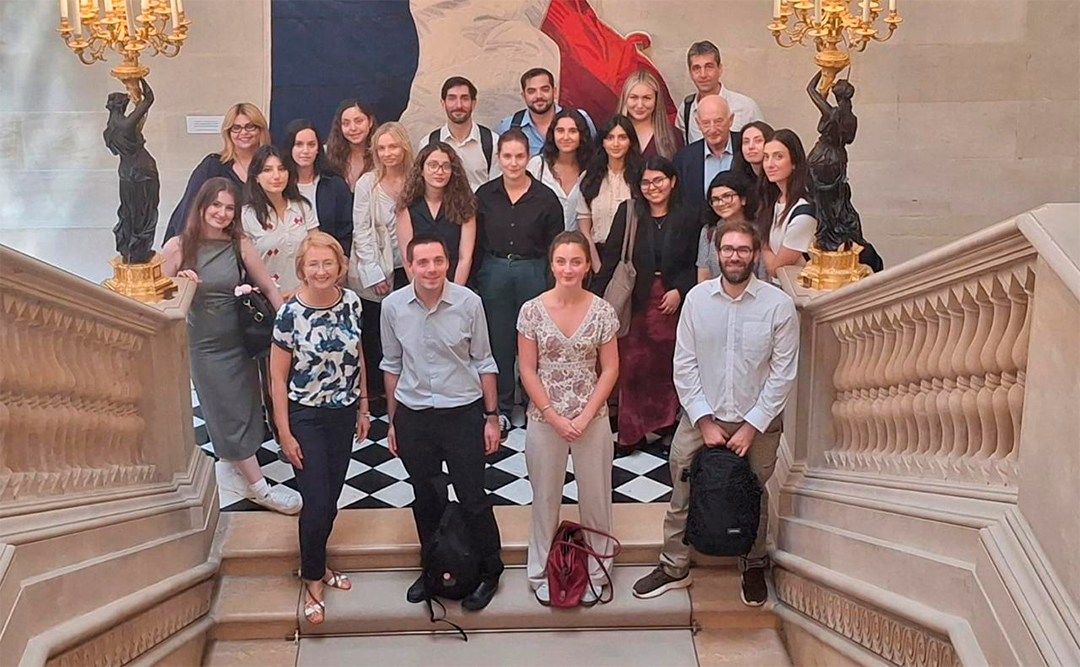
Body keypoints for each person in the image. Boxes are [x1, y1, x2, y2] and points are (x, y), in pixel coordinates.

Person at [632, 219, 798, 607]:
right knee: (682, 488)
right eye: (728, 249)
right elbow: (684, 363)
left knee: (752, 493)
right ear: (716, 253)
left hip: (758, 421)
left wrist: (751, 426)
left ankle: (752, 563)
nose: (734, 256)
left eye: (743, 250)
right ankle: (674, 565)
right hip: (701, 416)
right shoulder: (697, 300)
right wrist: (704, 420)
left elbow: (783, 373)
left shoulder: (778, 305)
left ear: (755, 255)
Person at [161, 177, 301, 515]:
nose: (222, 213)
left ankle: (233, 464)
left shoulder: (239, 243)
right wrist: (179, 284)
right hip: (204, 346)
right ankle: (259, 487)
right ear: (201, 205)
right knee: (223, 412)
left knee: (246, 408)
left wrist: (289, 330)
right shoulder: (178, 247)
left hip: (240, 341)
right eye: (216, 205)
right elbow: (159, 296)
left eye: (229, 208)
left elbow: (269, 287)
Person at [381, 234, 504, 611]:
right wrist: (393, 422)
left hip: (462, 413)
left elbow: (484, 360)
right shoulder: (393, 306)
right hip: (414, 415)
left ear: (448, 263)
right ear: (409, 265)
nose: (431, 269)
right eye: (422, 262)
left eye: (438, 261)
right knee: (426, 497)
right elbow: (391, 365)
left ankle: (489, 570)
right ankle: (434, 567)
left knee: (472, 496)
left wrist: (491, 417)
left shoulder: (468, 303)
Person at [270, 232, 370, 626]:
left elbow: (358, 355)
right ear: (302, 268)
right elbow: (277, 378)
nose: (322, 270)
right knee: (316, 502)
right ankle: (313, 579)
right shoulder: (289, 313)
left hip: (342, 413)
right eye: (314, 264)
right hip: (304, 415)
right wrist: (284, 432)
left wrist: (364, 406)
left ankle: (319, 564)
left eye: (328, 263)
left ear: (339, 266)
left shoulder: (352, 303)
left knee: (330, 499)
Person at [518, 231, 620, 606]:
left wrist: (587, 414)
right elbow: (527, 369)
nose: (568, 269)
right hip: (545, 417)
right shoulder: (531, 311)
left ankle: (598, 571)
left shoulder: (603, 311)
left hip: (591, 417)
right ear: (551, 264)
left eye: (576, 261)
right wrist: (552, 415)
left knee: (596, 498)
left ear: (587, 265)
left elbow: (610, 369)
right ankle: (540, 571)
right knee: (545, 498)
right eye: (561, 261)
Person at [593, 156, 697, 450]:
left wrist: (680, 290)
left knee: (667, 367)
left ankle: (664, 424)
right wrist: (595, 300)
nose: (653, 187)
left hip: (671, 305)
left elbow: (696, 262)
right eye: (646, 182)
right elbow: (611, 258)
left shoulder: (689, 215)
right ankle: (631, 432)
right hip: (635, 301)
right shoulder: (629, 213)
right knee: (632, 366)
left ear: (672, 181)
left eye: (659, 180)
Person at [475, 129, 565, 436]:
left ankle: (533, 403)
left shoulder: (546, 198)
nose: (513, 163)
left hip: (532, 271)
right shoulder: (484, 196)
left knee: (533, 342)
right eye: (507, 156)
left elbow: (555, 246)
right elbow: (476, 241)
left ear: (529, 158)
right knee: (498, 341)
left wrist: (552, 284)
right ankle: (499, 407)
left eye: (519, 156)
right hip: (495, 270)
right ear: (498, 158)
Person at [350, 122, 414, 399]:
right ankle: (377, 397)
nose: (388, 153)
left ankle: (406, 392)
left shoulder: (416, 179)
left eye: (393, 146)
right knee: (376, 335)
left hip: (409, 269)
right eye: (382, 148)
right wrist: (374, 273)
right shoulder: (368, 183)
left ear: (404, 147)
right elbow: (361, 230)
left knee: (408, 333)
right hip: (377, 271)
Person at [164, 103, 270, 240]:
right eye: (236, 128)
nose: (244, 132)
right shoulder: (213, 166)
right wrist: (184, 244)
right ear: (228, 133)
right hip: (220, 244)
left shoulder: (273, 165)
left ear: (261, 129)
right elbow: (191, 205)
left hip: (265, 242)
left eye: (250, 126)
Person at [240, 145, 319, 295]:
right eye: (267, 170)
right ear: (256, 177)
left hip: (306, 294)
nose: (276, 176)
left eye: (282, 169)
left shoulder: (302, 206)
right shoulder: (247, 216)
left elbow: (317, 249)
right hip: (266, 297)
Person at [395, 143, 477, 285]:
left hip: (456, 282)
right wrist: (421, 291)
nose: (440, 171)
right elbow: (407, 257)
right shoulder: (407, 207)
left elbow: (465, 258)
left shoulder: (464, 206)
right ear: (421, 170)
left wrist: (455, 293)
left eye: (446, 166)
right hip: (419, 284)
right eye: (433, 165)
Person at [577, 115, 643, 271]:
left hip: (633, 258)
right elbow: (585, 229)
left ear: (630, 141)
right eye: (610, 138)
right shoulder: (589, 177)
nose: (616, 144)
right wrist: (597, 266)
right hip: (597, 256)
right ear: (602, 142)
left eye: (622, 138)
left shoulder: (641, 176)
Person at [281, 119, 354, 256]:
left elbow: (347, 230)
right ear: (290, 148)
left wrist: (341, 258)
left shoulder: (335, 184)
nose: (305, 151)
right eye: (299, 144)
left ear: (318, 149)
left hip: (329, 260)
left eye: (311, 145)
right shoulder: (280, 186)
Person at [417, 76, 501, 191]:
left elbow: (496, 189)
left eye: (464, 98)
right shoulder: (428, 143)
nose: (458, 105)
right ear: (443, 103)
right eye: (452, 98)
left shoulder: (493, 142)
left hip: (481, 203)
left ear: (473, 103)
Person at [672, 94, 744, 227]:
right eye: (706, 123)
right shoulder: (684, 159)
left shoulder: (745, 148)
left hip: (745, 230)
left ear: (731, 120)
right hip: (700, 233)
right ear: (698, 124)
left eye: (718, 121)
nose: (712, 129)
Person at [674, 40, 764, 143]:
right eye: (696, 68)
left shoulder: (746, 107)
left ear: (720, 69)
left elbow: (763, 144)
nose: (703, 74)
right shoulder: (686, 109)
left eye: (709, 67)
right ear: (690, 73)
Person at [497, 67, 597, 157]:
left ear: (555, 92)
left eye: (545, 89)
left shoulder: (580, 118)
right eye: (531, 91)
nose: (539, 96)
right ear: (524, 96)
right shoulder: (508, 126)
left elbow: (595, 154)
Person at [758, 129, 817, 279]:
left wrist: (763, 245)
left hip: (795, 288)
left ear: (794, 163)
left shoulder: (803, 213)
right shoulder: (774, 201)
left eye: (778, 156)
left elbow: (777, 269)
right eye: (766, 157)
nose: (769, 164)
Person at [526, 108, 590, 231]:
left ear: (582, 135)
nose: (566, 137)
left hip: (580, 241)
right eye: (560, 131)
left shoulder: (591, 170)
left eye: (573, 131)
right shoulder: (537, 166)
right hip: (543, 241)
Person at [698, 170, 757, 282]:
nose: (721, 203)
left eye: (727, 196)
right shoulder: (708, 232)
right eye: (715, 199)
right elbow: (703, 277)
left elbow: (765, 276)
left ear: (743, 199)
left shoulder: (759, 231)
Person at [618, 69, 682, 159]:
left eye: (647, 98)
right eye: (633, 97)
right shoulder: (610, 135)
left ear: (656, 100)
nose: (640, 105)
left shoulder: (674, 136)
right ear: (625, 99)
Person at [326, 98, 377, 191]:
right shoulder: (329, 156)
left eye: (358, 121)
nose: (353, 128)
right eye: (346, 123)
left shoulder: (382, 155)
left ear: (370, 122)